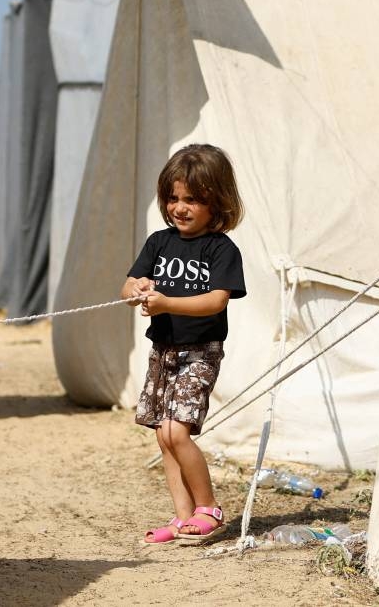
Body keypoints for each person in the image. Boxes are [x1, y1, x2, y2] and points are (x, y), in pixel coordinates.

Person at [120, 143, 246, 545]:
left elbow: (216, 300)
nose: (180, 207)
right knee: (162, 434)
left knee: (177, 431)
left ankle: (209, 508)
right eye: (173, 198)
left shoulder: (221, 250)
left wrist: (168, 302)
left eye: (192, 199)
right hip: (164, 350)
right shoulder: (159, 242)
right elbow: (127, 286)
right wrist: (137, 289)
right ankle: (183, 517)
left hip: (200, 351)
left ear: (217, 203)